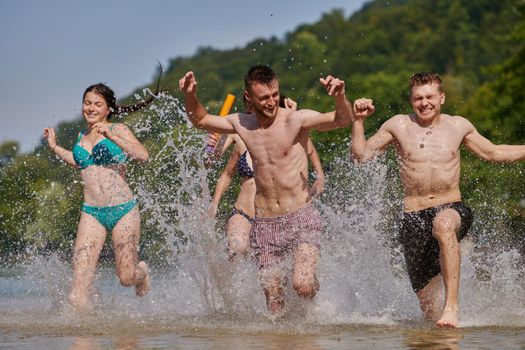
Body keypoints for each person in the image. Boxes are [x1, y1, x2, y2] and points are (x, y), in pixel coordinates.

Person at [179, 65, 362, 315]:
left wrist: (339, 97)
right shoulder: (241, 124)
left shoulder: (295, 119)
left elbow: (342, 120)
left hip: (301, 218)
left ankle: (314, 300)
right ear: (248, 98)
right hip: (264, 225)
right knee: (274, 305)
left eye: (274, 94)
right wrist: (191, 95)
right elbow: (200, 119)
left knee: (303, 285)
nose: (272, 102)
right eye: (264, 97)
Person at [350, 72, 525, 328]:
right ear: (411, 100)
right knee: (428, 310)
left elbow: (494, 152)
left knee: (443, 225)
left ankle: (452, 307)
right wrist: (358, 121)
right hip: (414, 218)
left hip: (452, 208)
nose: (424, 103)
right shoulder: (397, 125)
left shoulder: (458, 126)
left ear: (441, 97)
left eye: (430, 96)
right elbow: (360, 156)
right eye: (418, 98)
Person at [43, 83, 153, 309]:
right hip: (91, 213)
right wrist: (54, 147)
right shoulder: (81, 134)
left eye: (97, 104)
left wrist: (112, 137)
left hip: (123, 210)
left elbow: (143, 155)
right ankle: (82, 340)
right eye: (87, 103)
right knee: (78, 287)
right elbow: (81, 163)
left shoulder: (118, 129)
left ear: (108, 109)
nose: (91, 108)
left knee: (126, 278)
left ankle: (142, 271)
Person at [208, 96, 325, 262]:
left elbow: (309, 149)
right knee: (237, 249)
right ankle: (229, 286)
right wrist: (214, 145)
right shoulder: (238, 134)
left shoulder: (284, 131)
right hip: (244, 213)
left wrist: (320, 176)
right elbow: (216, 164)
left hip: (274, 219)